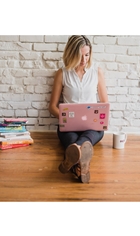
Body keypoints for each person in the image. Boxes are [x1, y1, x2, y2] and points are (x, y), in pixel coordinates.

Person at [49, 35, 108, 183]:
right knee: (73, 139)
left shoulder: (96, 72)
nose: (84, 60)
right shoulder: (62, 73)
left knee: (81, 142)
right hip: (69, 127)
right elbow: (52, 107)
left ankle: (72, 159)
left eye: (87, 55)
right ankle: (82, 165)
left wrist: (101, 118)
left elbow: (104, 103)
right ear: (71, 54)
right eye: (80, 55)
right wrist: (66, 119)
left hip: (92, 128)